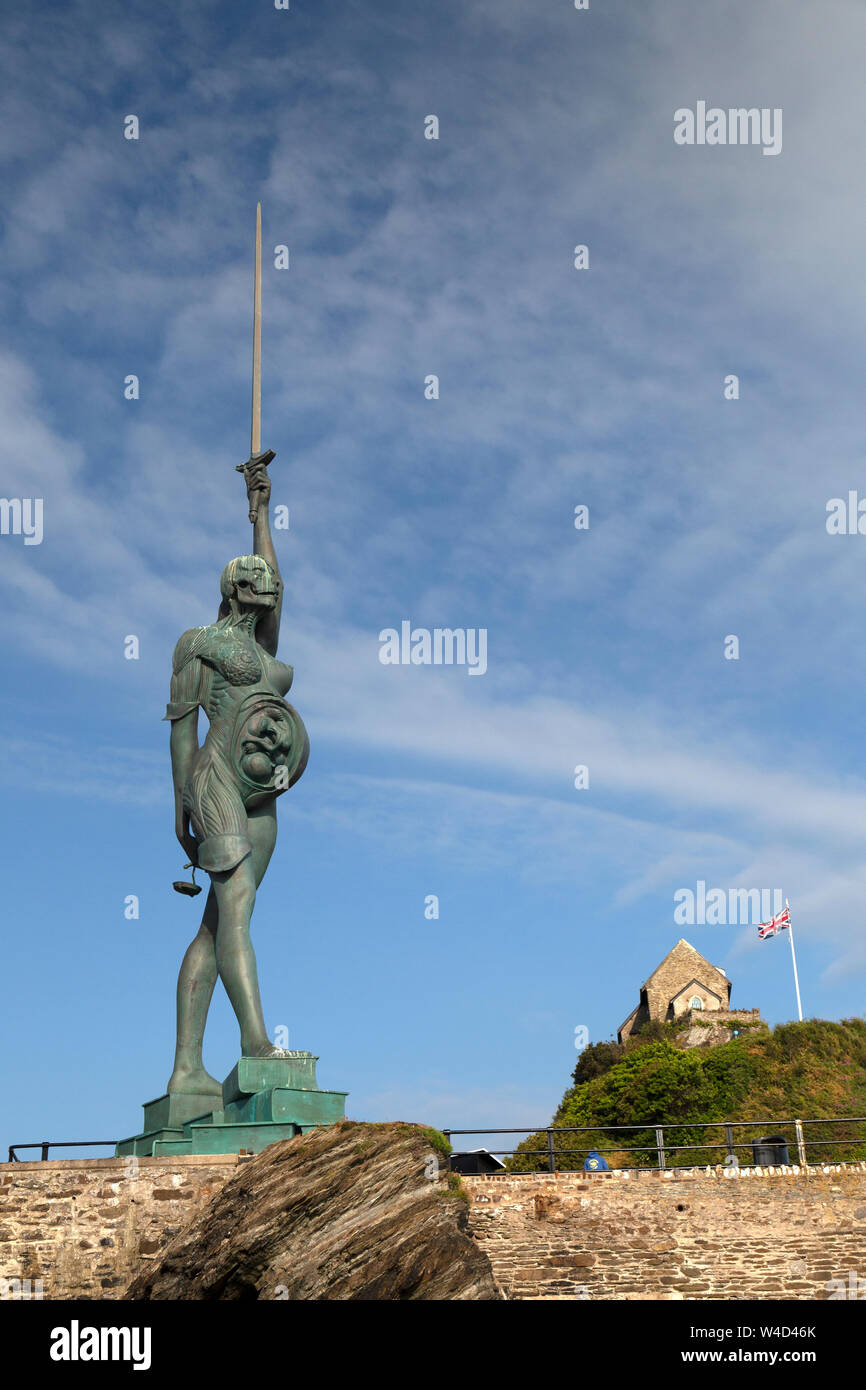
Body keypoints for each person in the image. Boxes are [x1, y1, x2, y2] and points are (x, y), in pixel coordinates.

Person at [164, 452, 308, 1097]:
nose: (267, 582)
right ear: (233, 589)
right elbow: (180, 726)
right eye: (255, 578)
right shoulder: (199, 642)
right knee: (237, 911)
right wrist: (181, 806)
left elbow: (277, 572)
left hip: (263, 792)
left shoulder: (265, 647)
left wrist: (260, 511)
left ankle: (187, 1069)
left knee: (218, 923)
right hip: (216, 782)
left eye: (267, 578)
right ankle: (256, 1043)